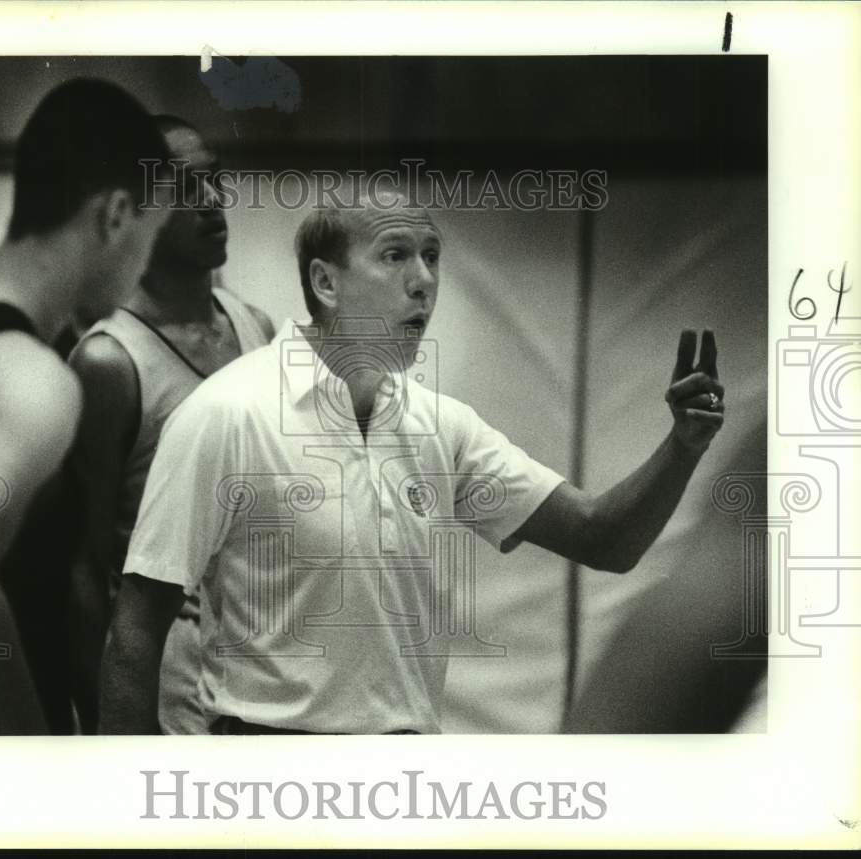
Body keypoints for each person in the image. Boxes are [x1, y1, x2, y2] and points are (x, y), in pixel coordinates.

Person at [100, 191, 726, 735]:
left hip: (407, 785)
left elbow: (605, 538)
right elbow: (135, 634)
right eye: (395, 255)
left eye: (432, 255)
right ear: (326, 282)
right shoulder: (224, 414)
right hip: (266, 781)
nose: (424, 278)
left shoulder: (440, 425)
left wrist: (683, 447)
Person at [0, 78, 171, 735]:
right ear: (113, 216)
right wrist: (32, 749)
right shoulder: (31, 377)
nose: (141, 268)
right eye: (150, 235)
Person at [67, 115, 274, 734]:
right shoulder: (109, 362)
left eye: (215, 182)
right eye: (187, 189)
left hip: (262, 661)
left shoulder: (255, 325)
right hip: (168, 671)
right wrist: (103, 721)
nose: (213, 205)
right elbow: (83, 564)